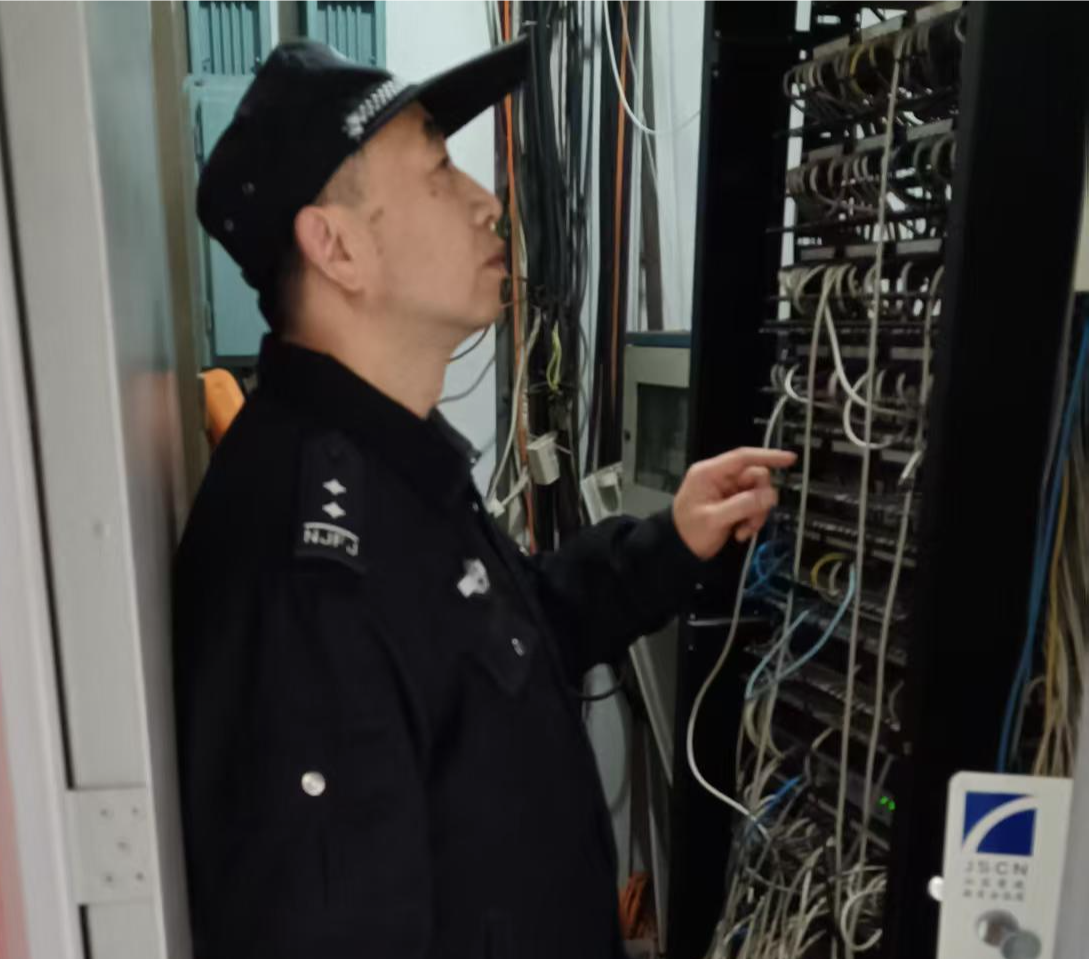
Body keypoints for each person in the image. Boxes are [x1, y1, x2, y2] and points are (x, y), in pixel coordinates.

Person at [173, 36, 795, 959]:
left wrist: (671, 542)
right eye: (437, 172)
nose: (486, 201)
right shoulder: (306, 572)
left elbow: (496, 641)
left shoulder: (387, 464)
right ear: (336, 247)